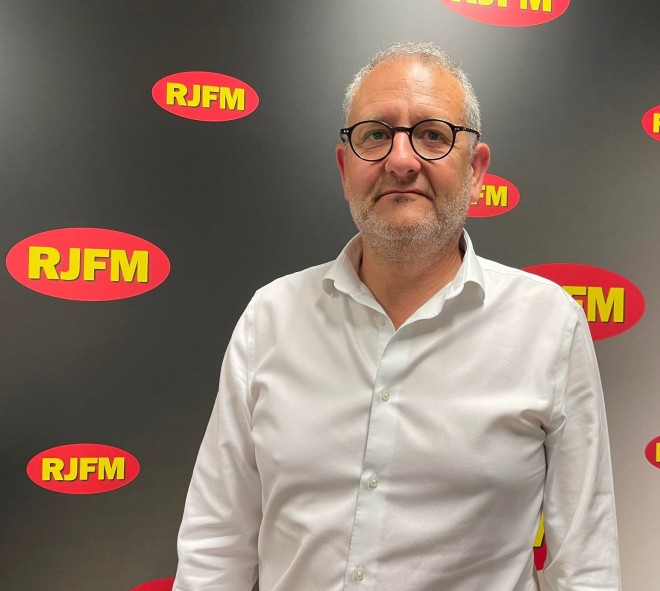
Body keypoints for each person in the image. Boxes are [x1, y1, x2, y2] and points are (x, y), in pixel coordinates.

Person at [173, 41, 620, 591]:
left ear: (476, 169)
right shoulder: (270, 319)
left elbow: (585, 563)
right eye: (375, 135)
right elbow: (216, 545)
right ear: (345, 168)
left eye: (432, 134)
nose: (401, 161)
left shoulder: (549, 325)